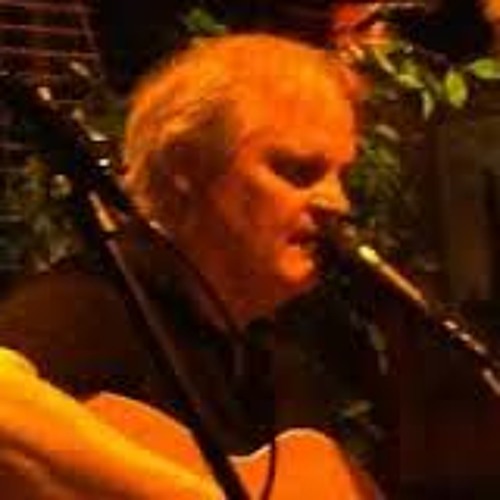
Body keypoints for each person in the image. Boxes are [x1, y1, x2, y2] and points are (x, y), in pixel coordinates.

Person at [0, 33, 382, 498]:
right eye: (297, 170)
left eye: (341, 176)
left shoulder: (271, 369)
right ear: (187, 168)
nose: (337, 202)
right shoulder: (99, 302)